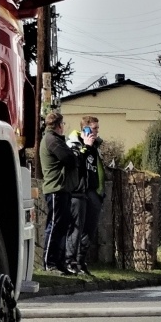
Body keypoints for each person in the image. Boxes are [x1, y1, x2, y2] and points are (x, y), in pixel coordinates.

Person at [38, 111, 78, 274]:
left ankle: (59, 262)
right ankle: (49, 262)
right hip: (56, 188)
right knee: (55, 226)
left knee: (62, 227)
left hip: (62, 188)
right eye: (63, 124)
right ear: (59, 125)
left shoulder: (54, 139)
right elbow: (70, 159)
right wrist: (74, 153)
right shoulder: (52, 140)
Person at [67, 116, 107, 275]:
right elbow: (77, 162)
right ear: (86, 129)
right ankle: (70, 261)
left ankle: (81, 261)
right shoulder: (74, 143)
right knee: (76, 228)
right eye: (94, 128)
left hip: (93, 191)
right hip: (79, 190)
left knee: (89, 229)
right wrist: (86, 145)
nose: (97, 131)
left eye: (98, 128)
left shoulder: (96, 146)